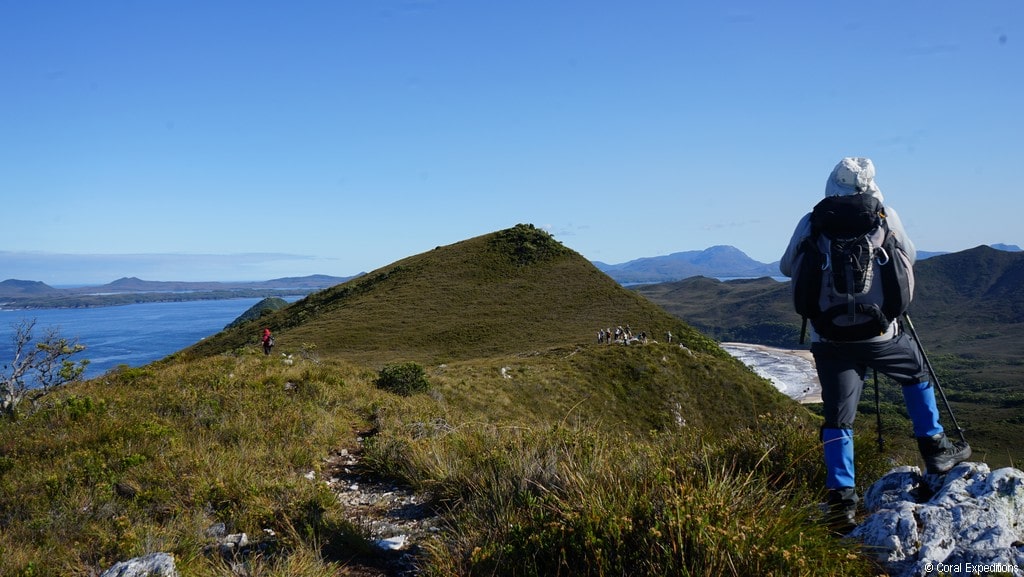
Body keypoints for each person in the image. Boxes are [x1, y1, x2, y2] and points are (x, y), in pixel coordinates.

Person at [779, 157, 971, 532]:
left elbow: (788, 267)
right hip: (881, 333)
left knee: (838, 417)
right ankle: (935, 450)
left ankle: (842, 503)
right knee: (915, 374)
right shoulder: (885, 215)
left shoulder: (812, 221)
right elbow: (908, 257)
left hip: (829, 337)